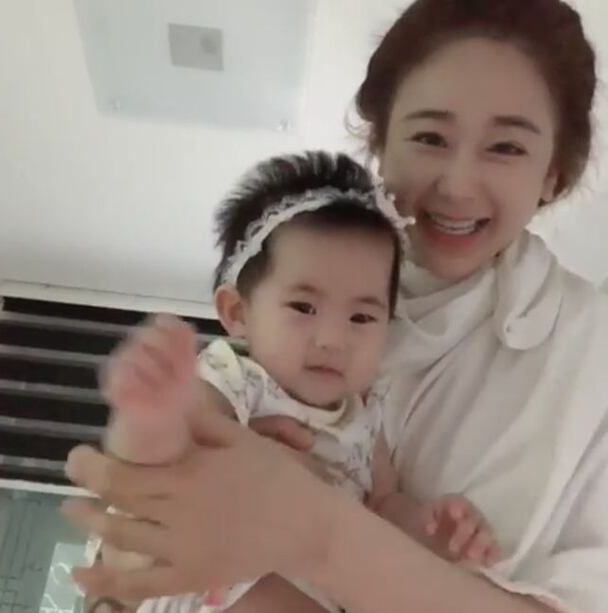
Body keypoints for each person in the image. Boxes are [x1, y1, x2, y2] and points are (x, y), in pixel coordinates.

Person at [62, 0, 608, 611]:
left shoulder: (590, 355)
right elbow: (132, 537)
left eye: (506, 147)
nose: (457, 185)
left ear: (554, 172)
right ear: (380, 143)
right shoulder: (298, 288)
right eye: (429, 137)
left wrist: (317, 526)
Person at [83, 151, 498, 613]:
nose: (333, 339)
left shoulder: (368, 418)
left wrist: (429, 529)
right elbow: (179, 448)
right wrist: (153, 410)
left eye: (362, 317)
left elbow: (384, 506)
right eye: (304, 307)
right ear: (238, 311)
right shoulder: (236, 379)